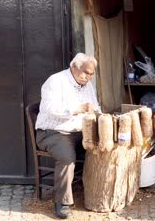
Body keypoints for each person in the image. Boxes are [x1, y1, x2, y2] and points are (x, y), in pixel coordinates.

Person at [35, 53, 100, 219]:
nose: (88, 77)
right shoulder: (55, 81)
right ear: (74, 67)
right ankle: (62, 202)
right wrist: (78, 108)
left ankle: (95, 192)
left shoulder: (88, 85)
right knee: (66, 157)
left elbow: (95, 106)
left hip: (78, 131)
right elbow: (50, 108)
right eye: (86, 72)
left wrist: (100, 115)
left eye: (92, 74)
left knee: (102, 147)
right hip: (53, 131)